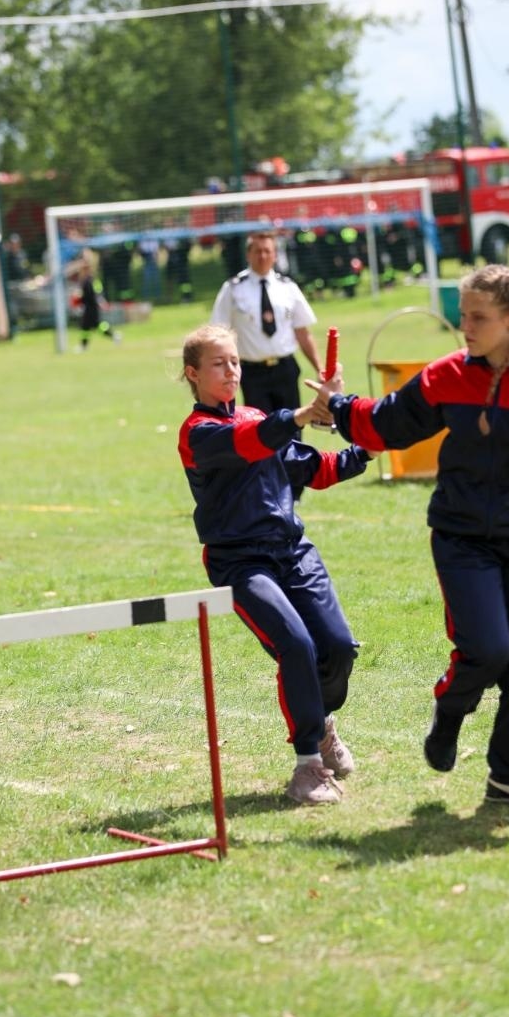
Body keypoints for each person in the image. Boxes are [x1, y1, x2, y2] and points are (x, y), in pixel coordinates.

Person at [308, 265, 509, 804]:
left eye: (478, 317)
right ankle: (450, 709)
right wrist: (336, 408)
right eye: (463, 315)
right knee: (488, 649)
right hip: (462, 537)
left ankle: (508, 774)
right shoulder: (449, 374)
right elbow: (388, 423)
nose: (466, 326)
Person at [178, 323, 373, 805]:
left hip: (293, 553)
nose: (231, 371)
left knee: (339, 647)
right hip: (241, 564)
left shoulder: (255, 416)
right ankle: (308, 766)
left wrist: (368, 444)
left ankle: (322, 722)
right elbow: (250, 441)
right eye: (219, 363)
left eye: (235, 362)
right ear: (193, 374)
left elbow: (314, 468)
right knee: (296, 644)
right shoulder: (198, 433)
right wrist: (303, 413)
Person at [209, 231, 323, 413]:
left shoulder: (288, 287)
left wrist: (319, 367)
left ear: (275, 254)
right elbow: (218, 333)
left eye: (267, 251)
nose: (262, 256)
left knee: (292, 429)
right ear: (248, 254)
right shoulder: (233, 288)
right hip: (252, 372)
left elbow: (302, 331)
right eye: (257, 251)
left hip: (285, 368)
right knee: (260, 431)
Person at [77, 255, 120, 349]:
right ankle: (84, 345)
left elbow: (98, 293)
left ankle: (113, 336)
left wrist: (101, 303)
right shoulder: (85, 281)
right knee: (88, 326)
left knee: (91, 325)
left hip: (92, 307)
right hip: (88, 307)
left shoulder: (92, 281)